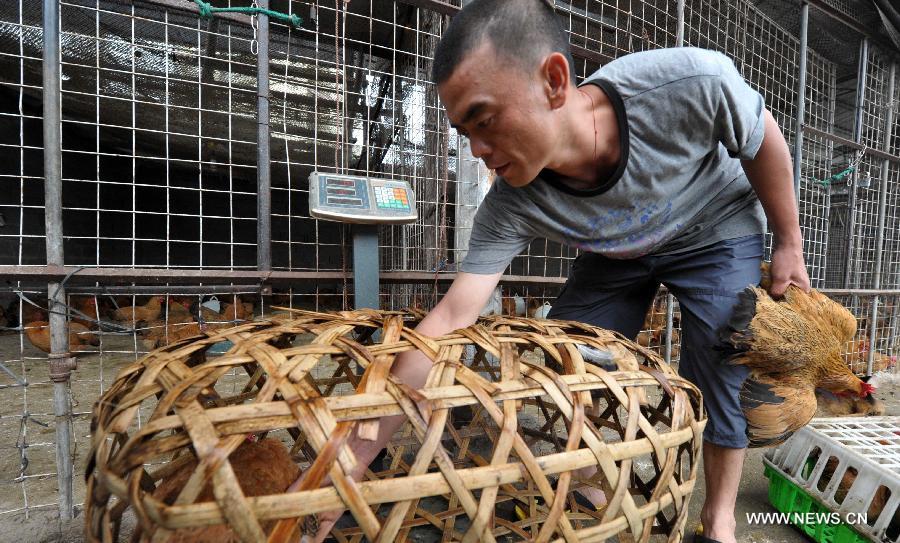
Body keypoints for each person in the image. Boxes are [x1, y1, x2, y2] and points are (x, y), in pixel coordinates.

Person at [309, 0, 811, 541]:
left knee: (721, 358)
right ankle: (593, 485)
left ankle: (718, 521)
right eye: (465, 132)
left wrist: (788, 242)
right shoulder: (512, 202)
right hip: (618, 251)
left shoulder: (686, 82)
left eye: (485, 120)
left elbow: (763, 140)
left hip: (714, 226)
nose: (478, 150)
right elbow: (452, 316)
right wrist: (351, 458)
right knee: (571, 360)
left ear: (554, 80)